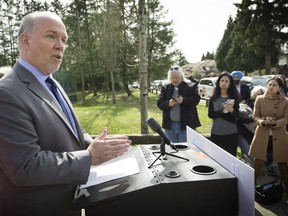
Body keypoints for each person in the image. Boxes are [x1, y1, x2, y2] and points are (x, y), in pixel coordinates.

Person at [0, 11, 131, 216]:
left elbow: (72, 129)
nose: (60, 45)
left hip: (70, 203)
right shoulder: (6, 93)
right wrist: (89, 157)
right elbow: (25, 166)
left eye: (64, 39)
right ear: (26, 41)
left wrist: (99, 145)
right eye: (51, 36)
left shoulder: (52, 83)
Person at [248, 77, 288, 197]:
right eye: (269, 84)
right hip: (262, 134)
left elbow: (287, 118)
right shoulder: (259, 99)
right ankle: (251, 192)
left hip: (279, 135)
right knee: (257, 163)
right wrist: (262, 122)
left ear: (279, 88)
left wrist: (275, 123)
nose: (271, 87)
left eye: (274, 85)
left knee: (282, 165)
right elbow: (255, 115)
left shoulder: (285, 101)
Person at [157, 65, 201, 143]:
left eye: (176, 77)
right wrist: (169, 103)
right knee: (171, 148)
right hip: (170, 125)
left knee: (185, 149)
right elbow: (159, 103)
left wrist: (184, 100)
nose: (174, 80)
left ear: (181, 76)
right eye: (172, 78)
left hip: (186, 125)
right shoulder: (166, 87)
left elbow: (196, 100)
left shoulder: (190, 86)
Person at [208, 72, 240, 156]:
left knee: (230, 157)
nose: (224, 83)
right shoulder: (213, 98)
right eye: (222, 80)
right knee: (216, 157)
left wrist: (231, 110)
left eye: (226, 81)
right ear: (218, 82)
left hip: (231, 132)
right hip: (216, 132)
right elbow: (210, 115)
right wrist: (223, 111)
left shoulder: (234, 98)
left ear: (230, 84)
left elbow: (236, 117)